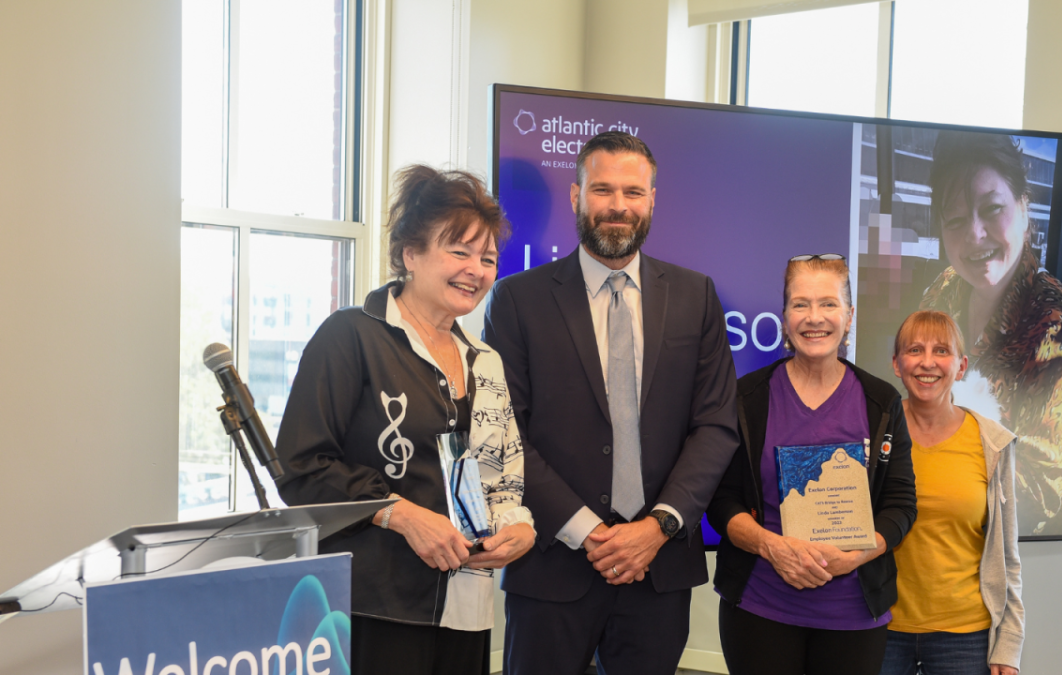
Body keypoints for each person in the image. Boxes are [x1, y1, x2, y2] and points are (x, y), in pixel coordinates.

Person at [482, 131, 739, 675]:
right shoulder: (518, 299)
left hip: (658, 568)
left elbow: (715, 425)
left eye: (632, 192)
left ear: (652, 201)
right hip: (552, 566)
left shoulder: (696, 297)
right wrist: (589, 531)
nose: (618, 206)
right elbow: (506, 432)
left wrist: (657, 528)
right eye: (602, 190)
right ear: (576, 196)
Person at [274, 165, 536, 675]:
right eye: (458, 251)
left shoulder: (486, 360)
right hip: (369, 604)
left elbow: (503, 478)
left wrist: (517, 528)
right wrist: (403, 514)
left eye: (487, 258)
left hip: (465, 606)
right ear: (410, 255)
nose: (476, 270)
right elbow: (301, 466)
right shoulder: (351, 335)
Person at [707, 254, 917, 675]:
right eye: (800, 304)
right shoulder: (747, 398)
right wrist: (773, 547)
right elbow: (721, 501)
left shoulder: (881, 403)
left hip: (853, 615)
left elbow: (901, 506)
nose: (814, 318)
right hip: (761, 607)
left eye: (829, 303)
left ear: (849, 315)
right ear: (784, 316)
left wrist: (855, 557)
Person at [920, 130, 1062, 534]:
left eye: (992, 208)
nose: (974, 235)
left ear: (1024, 207)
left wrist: (926, 476)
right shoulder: (944, 288)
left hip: (1014, 547)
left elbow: (1040, 491)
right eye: (957, 220)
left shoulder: (1054, 324)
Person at [880, 309, 1024, 675]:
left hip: (965, 636)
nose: (927, 362)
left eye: (941, 351)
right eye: (915, 350)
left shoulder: (991, 442)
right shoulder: (872, 435)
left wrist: (1008, 646)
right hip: (879, 627)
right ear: (897, 364)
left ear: (960, 367)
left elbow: (1007, 555)